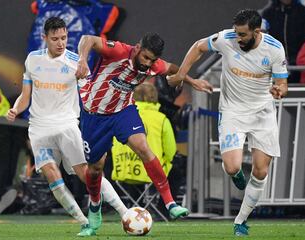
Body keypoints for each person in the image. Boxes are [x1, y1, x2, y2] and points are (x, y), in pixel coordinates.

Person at [75, 32, 213, 231]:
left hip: (123, 111)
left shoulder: (153, 65)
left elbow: (171, 68)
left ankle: (170, 203)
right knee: (95, 168)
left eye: (153, 60)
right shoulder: (118, 50)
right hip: (94, 114)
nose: (148, 64)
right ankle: (94, 207)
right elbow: (87, 39)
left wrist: (192, 81)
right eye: (146, 57)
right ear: (138, 48)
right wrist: (82, 59)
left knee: (143, 147)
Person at [168, 9, 288, 236]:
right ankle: (236, 176)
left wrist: (279, 91)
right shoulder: (226, 39)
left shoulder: (274, 48)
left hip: (262, 113)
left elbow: (283, 84)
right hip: (232, 111)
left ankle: (240, 221)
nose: (238, 38)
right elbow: (198, 47)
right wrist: (182, 75)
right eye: (236, 32)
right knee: (232, 167)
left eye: (243, 34)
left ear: (256, 31)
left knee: (261, 171)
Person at [6, 17, 127, 237]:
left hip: (67, 125)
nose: (60, 43)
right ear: (44, 38)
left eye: (63, 38)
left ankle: (125, 213)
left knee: (86, 174)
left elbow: (91, 97)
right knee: (51, 174)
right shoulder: (32, 60)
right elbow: (25, 96)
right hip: (39, 128)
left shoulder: (76, 62)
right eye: (55, 39)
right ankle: (85, 223)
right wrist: (15, 109)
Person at [111, 82, 176, 183]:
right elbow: (170, 150)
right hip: (152, 174)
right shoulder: (161, 119)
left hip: (122, 171)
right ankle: (164, 199)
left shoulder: (120, 116)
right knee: (177, 171)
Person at [261, 0, 305, 83]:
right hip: (274, 65)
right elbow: (264, 41)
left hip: (299, 67)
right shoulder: (268, 13)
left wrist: (296, 60)